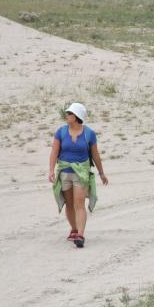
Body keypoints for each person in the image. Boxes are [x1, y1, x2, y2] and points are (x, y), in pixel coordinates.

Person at [48, 102, 108, 248]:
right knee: (69, 204)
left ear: (77, 116)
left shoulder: (89, 134)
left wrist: (101, 173)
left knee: (79, 203)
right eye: (68, 113)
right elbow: (54, 152)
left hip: (81, 173)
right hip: (64, 172)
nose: (67, 115)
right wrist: (51, 170)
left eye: (70, 113)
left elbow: (95, 155)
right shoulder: (61, 132)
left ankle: (80, 235)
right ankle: (74, 230)